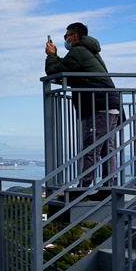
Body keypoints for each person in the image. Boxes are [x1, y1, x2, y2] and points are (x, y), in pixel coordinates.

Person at [45, 22, 121, 190]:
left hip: (99, 104)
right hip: (109, 103)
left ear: (75, 36)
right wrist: (56, 57)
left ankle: (84, 188)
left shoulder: (78, 51)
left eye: (66, 36)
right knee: (106, 148)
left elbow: (52, 72)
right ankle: (108, 187)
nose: (65, 40)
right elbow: (66, 69)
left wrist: (50, 55)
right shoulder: (87, 51)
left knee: (92, 148)